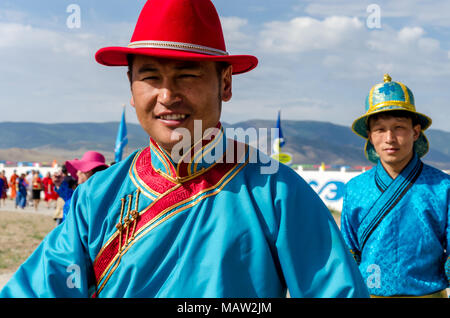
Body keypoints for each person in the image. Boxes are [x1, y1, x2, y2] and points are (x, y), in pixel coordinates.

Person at [0, 0, 368, 298]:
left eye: (187, 75)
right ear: (131, 87)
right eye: (150, 77)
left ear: (224, 83)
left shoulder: (277, 193)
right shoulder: (96, 197)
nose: (167, 95)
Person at [341, 74, 450, 298]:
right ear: (370, 136)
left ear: (416, 132)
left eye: (399, 127)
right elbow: (348, 252)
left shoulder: (443, 187)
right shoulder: (354, 189)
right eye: (380, 129)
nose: (389, 138)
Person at [53, 151, 108, 223]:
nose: (77, 173)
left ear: (88, 172)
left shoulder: (96, 198)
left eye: (80, 169)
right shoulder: (80, 193)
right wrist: (59, 184)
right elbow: (68, 195)